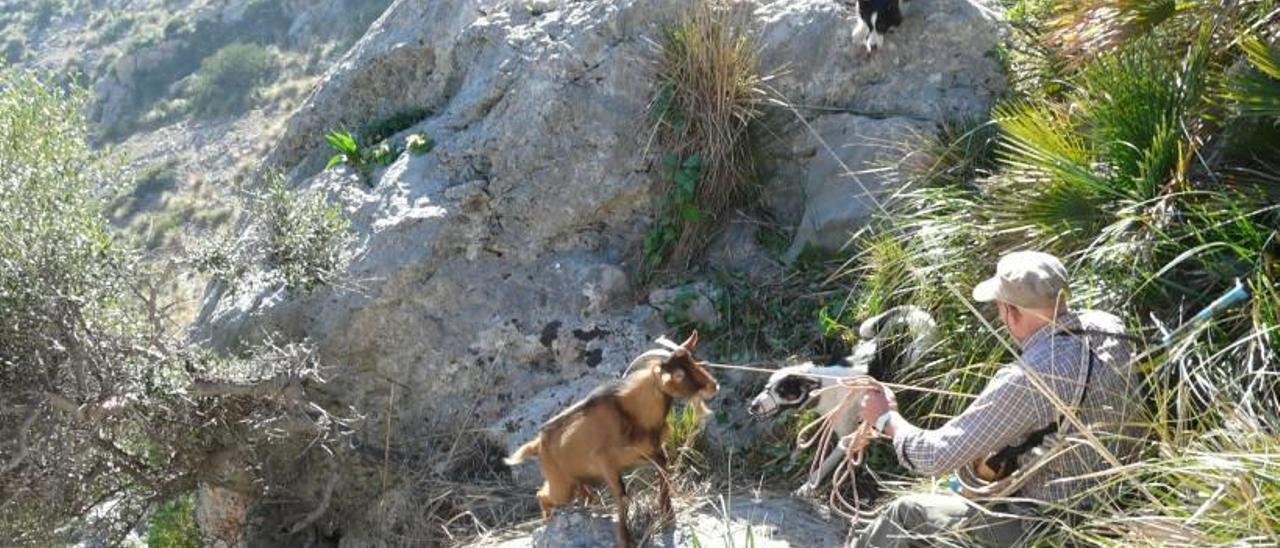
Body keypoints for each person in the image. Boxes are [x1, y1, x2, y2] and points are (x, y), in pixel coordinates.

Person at [852, 251, 1141, 547]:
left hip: (1052, 528)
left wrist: (886, 418)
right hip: (1120, 506)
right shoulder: (1110, 327)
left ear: (1010, 312)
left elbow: (935, 456)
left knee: (906, 513)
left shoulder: (1030, 377)